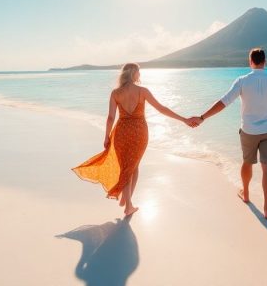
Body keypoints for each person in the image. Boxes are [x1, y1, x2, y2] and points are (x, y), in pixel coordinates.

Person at [73, 63, 198, 216]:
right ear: (135, 74)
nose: (140, 75)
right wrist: (183, 119)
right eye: (139, 72)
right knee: (132, 166)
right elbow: (162, 109)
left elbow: (110, 117)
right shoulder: (142, 91)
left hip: (121, 132)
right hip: (139, 132)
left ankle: (127, 199)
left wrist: (106, 136)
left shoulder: (115, 93)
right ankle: (128, 205)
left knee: (128, 166)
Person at [195, 48, 267, 219]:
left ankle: (245, 194)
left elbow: (224, 102)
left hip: (248, 131)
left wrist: (203, 117)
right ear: (264, 62)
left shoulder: (242, 81)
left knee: (247, 162)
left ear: (250, 61)